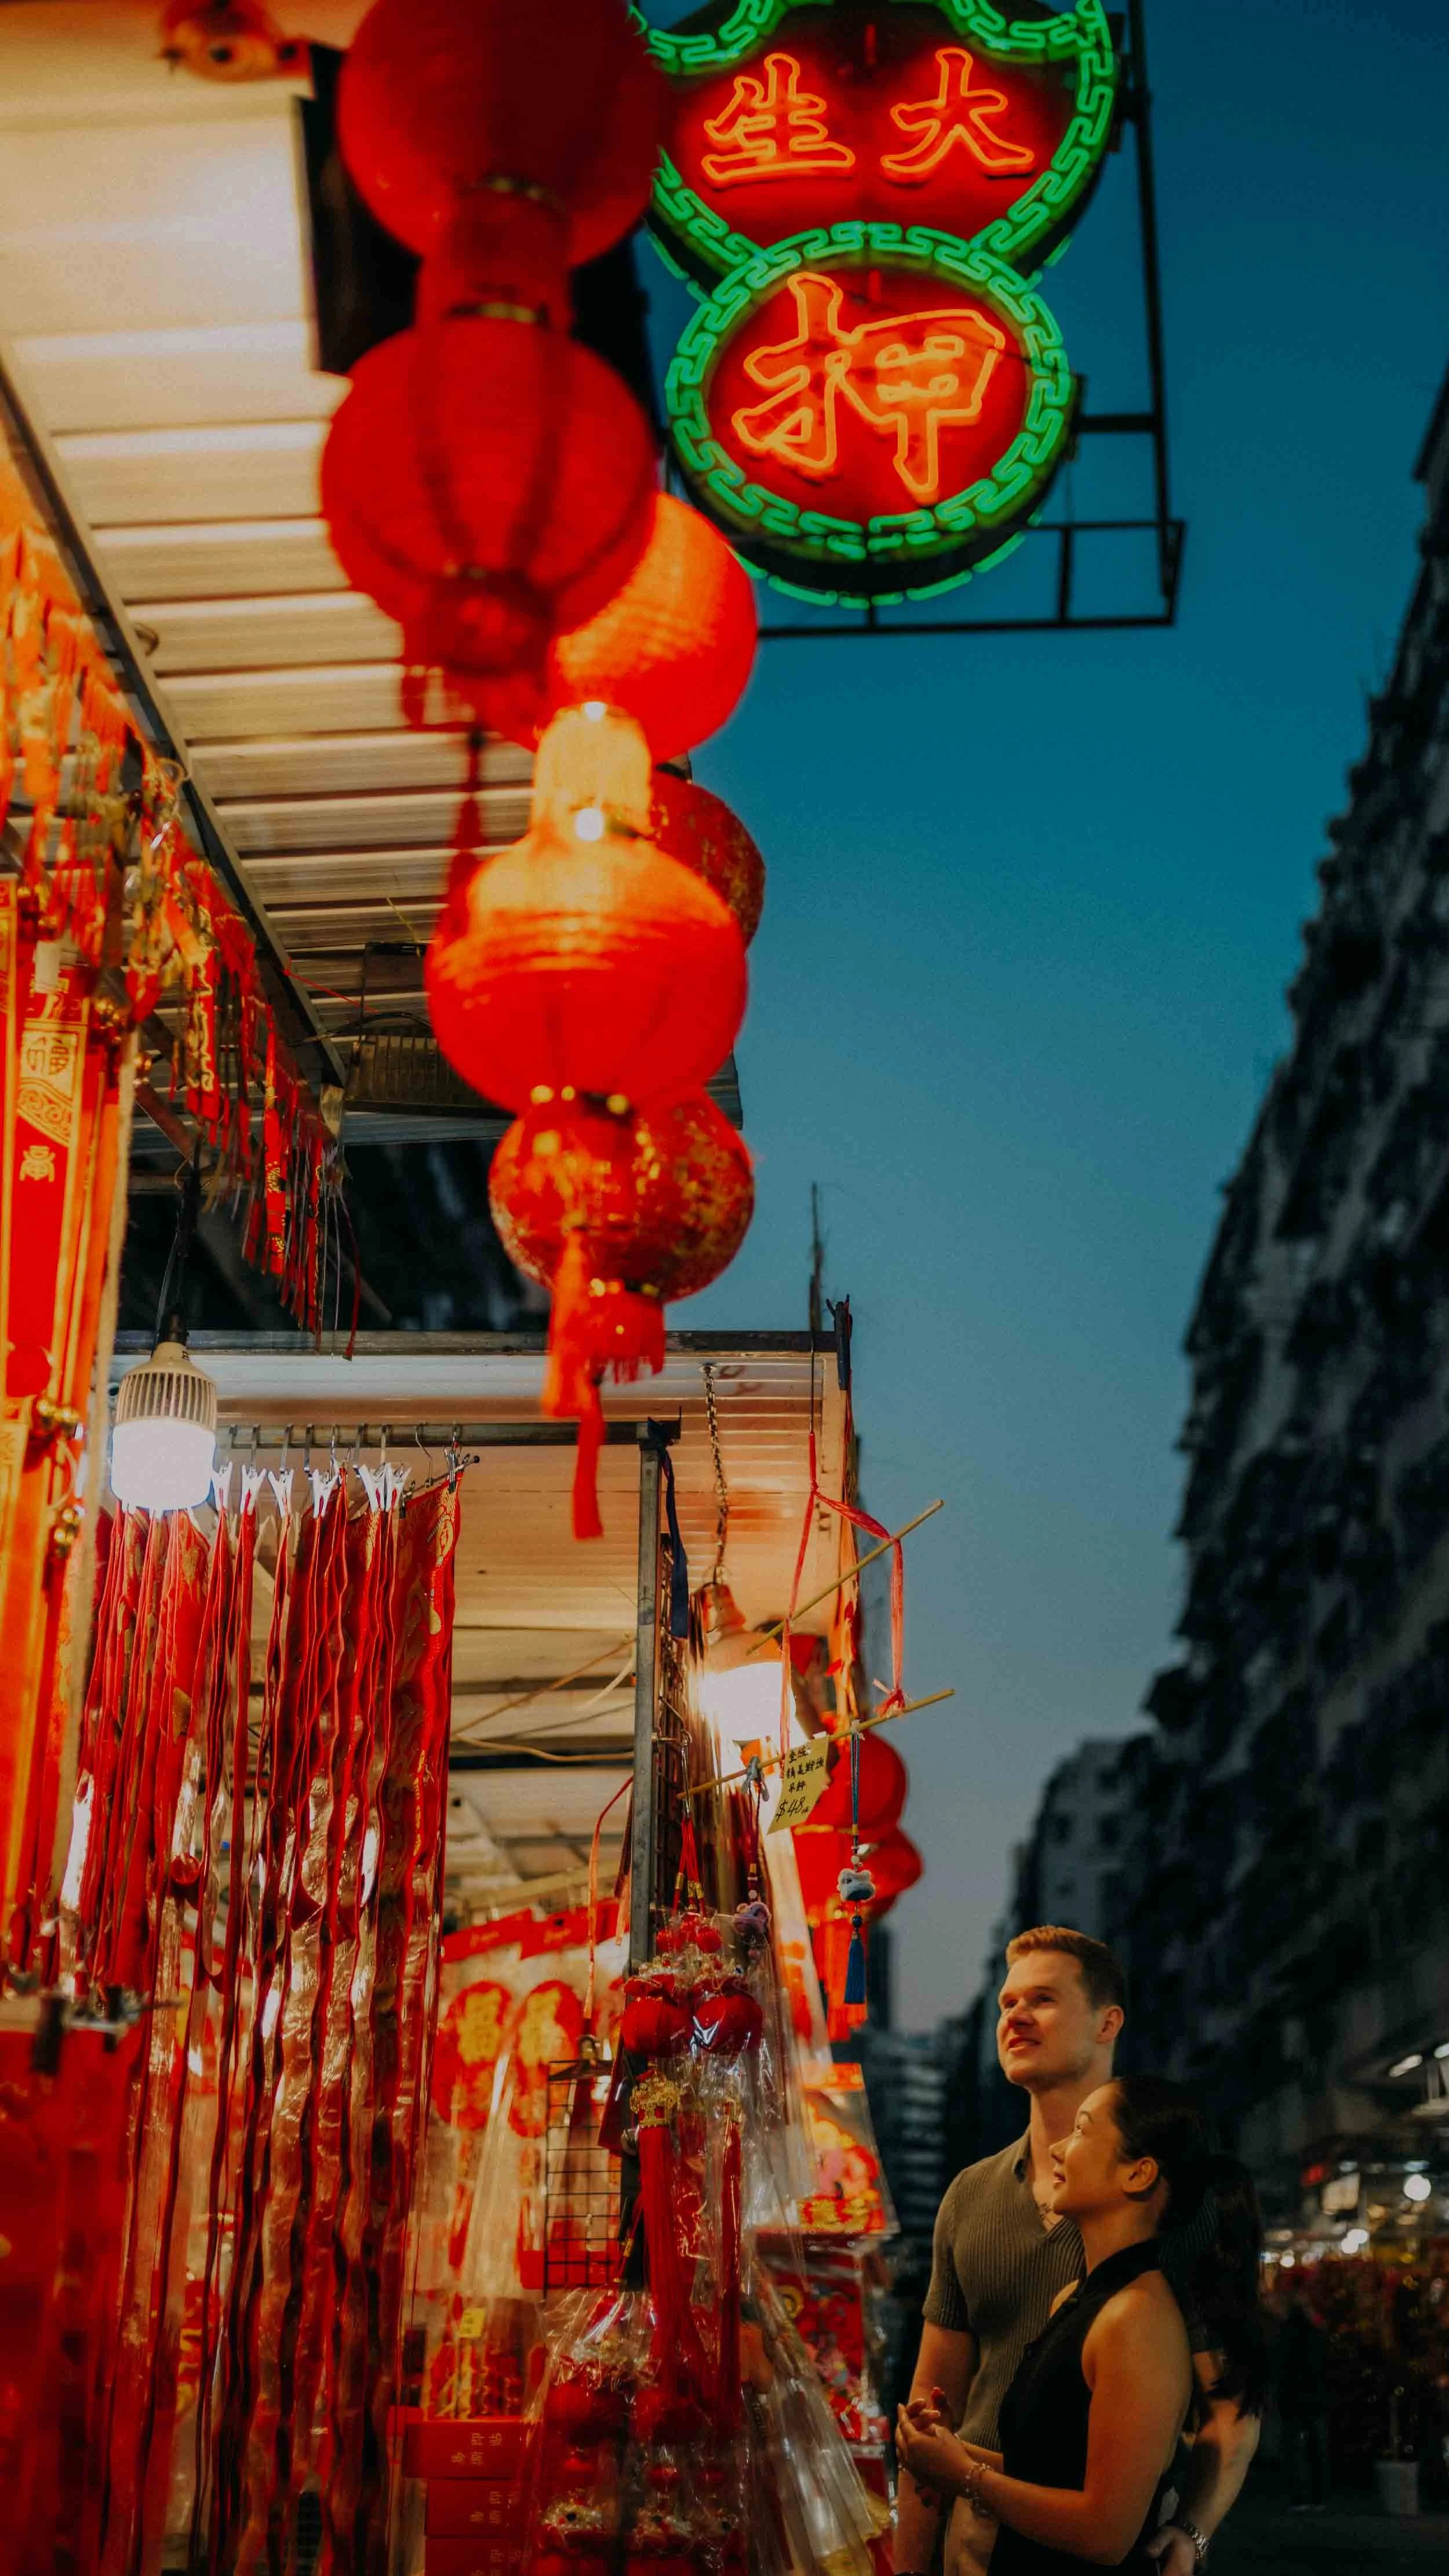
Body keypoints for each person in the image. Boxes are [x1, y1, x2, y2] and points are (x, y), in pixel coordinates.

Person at [892, 1929, 1259, 2576]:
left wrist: (1190, 2530)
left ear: (1106, 2020)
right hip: (979, 2529)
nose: (1015, 2017)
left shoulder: (1169, 2198)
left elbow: (1229, 2405)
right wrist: (911, 2562)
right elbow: (933, 2400)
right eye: (1006, 2003)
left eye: (1042, 1999)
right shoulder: (969, 2194)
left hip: (1109, 2535)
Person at [1274, 2280, 1329, 2511]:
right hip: (1314, 2395)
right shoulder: (1316, 2333)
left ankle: (1300, 2497)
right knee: (1316, 2448)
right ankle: (1318, 2497)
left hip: (1294, 2396)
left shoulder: (1286, 2332)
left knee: (1295, 2448)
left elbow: (1281, 2364)